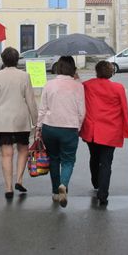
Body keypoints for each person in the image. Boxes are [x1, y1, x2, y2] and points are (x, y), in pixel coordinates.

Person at [0, 47, 38, 199]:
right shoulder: (24, 76)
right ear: (17, 60)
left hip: (2, 120)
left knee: (6, 154)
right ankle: (19, 179)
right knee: (23, 149)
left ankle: (8, 188)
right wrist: (35, 120)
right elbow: (30, 101)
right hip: (20, 119)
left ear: (3, 59)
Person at [36, 56, 85, 208]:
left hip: (49, 127)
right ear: (73, 69)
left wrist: (38, 128)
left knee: (54, 159)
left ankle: (55, 192)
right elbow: (82, 111)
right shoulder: (78, 86)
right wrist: (77, 126)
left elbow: (42, 109)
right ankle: (63, 184)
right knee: (68, 160)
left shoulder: (49, 84)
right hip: (69, 127)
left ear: (58, 68)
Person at [79, 60, 128, 205]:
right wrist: (126, 130)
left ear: (96, 71)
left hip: (92, 130)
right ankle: (103, 194)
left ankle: (96, 183)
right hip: (110, 130)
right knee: (106, 163)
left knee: (94, 158)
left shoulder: (87, 85)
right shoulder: (118, 88)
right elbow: (124, 110)